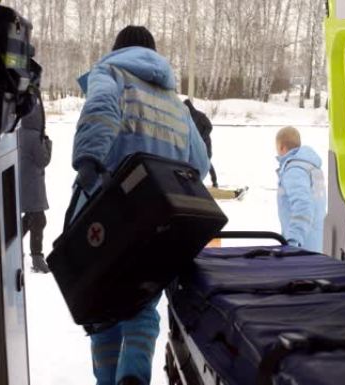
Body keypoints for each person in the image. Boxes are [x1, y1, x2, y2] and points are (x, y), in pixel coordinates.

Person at [72, 26, 209, 385]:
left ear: (117, 49)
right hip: (160, 220)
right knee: (142, 301)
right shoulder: (172, 98)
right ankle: (133, 375)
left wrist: (88, 159)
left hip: (112, 212)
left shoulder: (111, 72)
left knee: (100, 304)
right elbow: (200, 163)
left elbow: (101, 109)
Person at [18, 64, 52, 274]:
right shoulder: (34, 137)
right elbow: (43, 160)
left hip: (26, 183)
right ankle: (37, 259)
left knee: (31, 219)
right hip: (32, 185)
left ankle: (9, 245)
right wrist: (48, 143)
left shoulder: (22, 132)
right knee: (38, 219)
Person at [275, 126, 326, 253]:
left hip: (301, 247)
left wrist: (292, 241)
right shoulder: (310, 167)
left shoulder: (294, 171)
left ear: (281, 147)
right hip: (315, 241)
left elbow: (303, 206)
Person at [183, 99, 218, 188]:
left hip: (205, 143)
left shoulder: (200, 115)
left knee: (207, 161)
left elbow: (209, 127)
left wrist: (202, 137)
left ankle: (215, 182)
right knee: (193, 162)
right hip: (195, 144)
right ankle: (194, 182)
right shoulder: (187, 117)